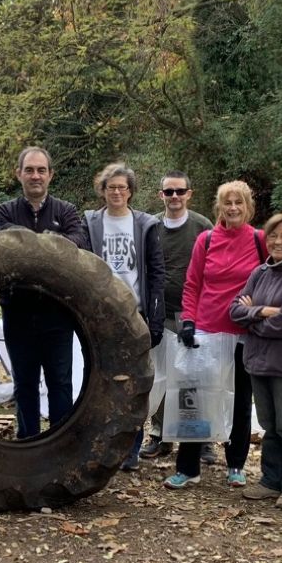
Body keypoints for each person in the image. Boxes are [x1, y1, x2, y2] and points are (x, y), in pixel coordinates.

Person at [163, 180, 266, 491]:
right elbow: (192, 284)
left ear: (248, 207)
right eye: (227, 203)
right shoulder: (206, 240)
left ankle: (235, 464)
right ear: (219, 207)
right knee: (193, 398)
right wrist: (189, 322)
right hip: (206, 331)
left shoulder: (261, 241)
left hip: (243, 334)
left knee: (240, 400)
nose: (232, 208)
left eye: (238, 202)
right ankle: (188, 467)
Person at [0, 147, 89, 438]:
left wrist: (26, 243)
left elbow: (77, 243)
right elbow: (0, 242)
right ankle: (28, 441)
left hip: (57, 312)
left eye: (41, 170)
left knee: (60, 381)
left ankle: (59, 442)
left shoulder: (67, 211)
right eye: (30, 170)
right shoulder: (4, 211)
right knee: (24, 382)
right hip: (17, 310)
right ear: (19, 174)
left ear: (50, 175)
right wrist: (49, 245)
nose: (36, 176)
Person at [229, 213, 282, 510]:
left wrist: (254, 316)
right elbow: (234, 311)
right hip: (258, 362)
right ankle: (270, 480)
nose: (278, 241)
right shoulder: (260, 272)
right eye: (273, 236)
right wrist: (264, 312)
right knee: (268, 424)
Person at [83, 163, 165, 470]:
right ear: (102, 191)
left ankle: (130, 451)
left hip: (136, 313)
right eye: (111, 187)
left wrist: (155, 318)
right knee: (101, 382)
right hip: (102, 314)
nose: (117, 192)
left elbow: (157, 272)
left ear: (130, 191)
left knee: (134, 385)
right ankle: (103, 448)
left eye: (122, 187)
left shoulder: (144, 224)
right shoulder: (91, 222)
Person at [140, 170, 213, 459]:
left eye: (179, 191)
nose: (174, 197)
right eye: (168, 192)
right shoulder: (150, 226)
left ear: (189, 194)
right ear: (161, 195)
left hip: (193, 313)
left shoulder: (202, 227)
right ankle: (159, 434)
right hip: (159, 312)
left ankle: (199, 438)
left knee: (193, 377)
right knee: (160, 376)